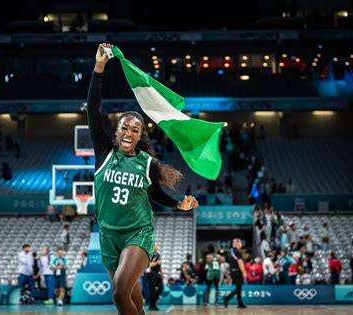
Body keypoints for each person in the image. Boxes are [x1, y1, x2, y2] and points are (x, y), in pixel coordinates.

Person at [87, 43, 198, 315]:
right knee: (134, 299)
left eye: (135, 129)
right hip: (108, 235)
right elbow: (92, 108)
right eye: (124, 126)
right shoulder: (104, 152)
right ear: (117, 131)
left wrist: (178, 204)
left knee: (119, 294)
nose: (129, 132)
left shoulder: (146, 163)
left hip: (138, 233)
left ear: (139, 136)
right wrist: (98, 68)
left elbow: (156, 194)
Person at [224, 239, 247, 308]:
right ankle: (227, 298)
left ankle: (240, 303)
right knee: (238, 288)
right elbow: (240, 262)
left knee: (238, 288)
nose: (241, 244)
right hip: (237, 271)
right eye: (240, 242)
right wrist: (244, 272)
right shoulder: (236, 252)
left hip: (233, 271)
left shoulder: (229, 252)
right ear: (236, 243)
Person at [147, 244, 163, 311]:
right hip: (152, 274)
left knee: (161, 288)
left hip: (158, 274)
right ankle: (152, 305)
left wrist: (162, 273)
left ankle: (153, 302)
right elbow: (148, 265)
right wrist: (156, 263)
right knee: (152, 291)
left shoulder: (158, 254)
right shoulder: (150, 254)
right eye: (155, 246)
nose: (157, 247)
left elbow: (160, 265)